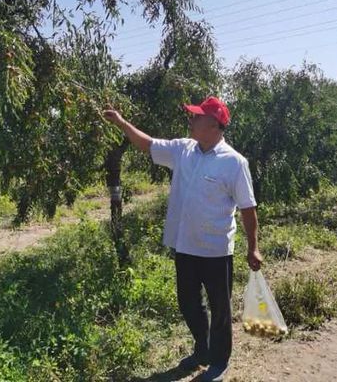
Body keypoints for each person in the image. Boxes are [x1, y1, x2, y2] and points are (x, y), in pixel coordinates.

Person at [103, 96, 263, 382]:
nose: (190, 120)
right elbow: (148, 144)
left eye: (196, 117)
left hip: (215, 250)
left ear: (213, 124)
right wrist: (122, 123)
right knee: (188, 303)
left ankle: (218, 361)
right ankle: (201, 350)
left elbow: (248, 208)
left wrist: (254, 248)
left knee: (220, 309)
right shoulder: (183, 150)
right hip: (185, 246)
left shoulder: (234, 163)